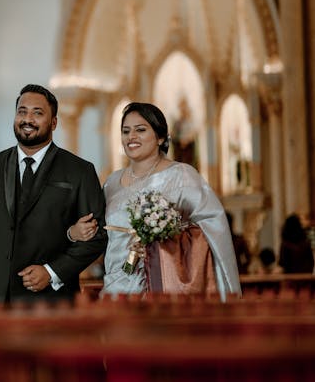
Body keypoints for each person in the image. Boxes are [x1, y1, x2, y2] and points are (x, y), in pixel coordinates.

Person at [72, 102, 240, 301]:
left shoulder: (182, 175)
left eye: (140, 130)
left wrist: (161, 243)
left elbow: (213, 228)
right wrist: (74, 233)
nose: (131, 137)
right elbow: (101, 233)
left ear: (160, 137)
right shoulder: (112, 183)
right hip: (117, 286)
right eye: (126, 131)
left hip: (164, 288)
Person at [0, 83, 107, 305]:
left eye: (38, 113)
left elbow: (96, 237)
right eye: (22, 111)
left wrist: (52, 271)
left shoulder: (79, 171)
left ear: (54, 122)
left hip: (52, 300)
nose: (27, 119)